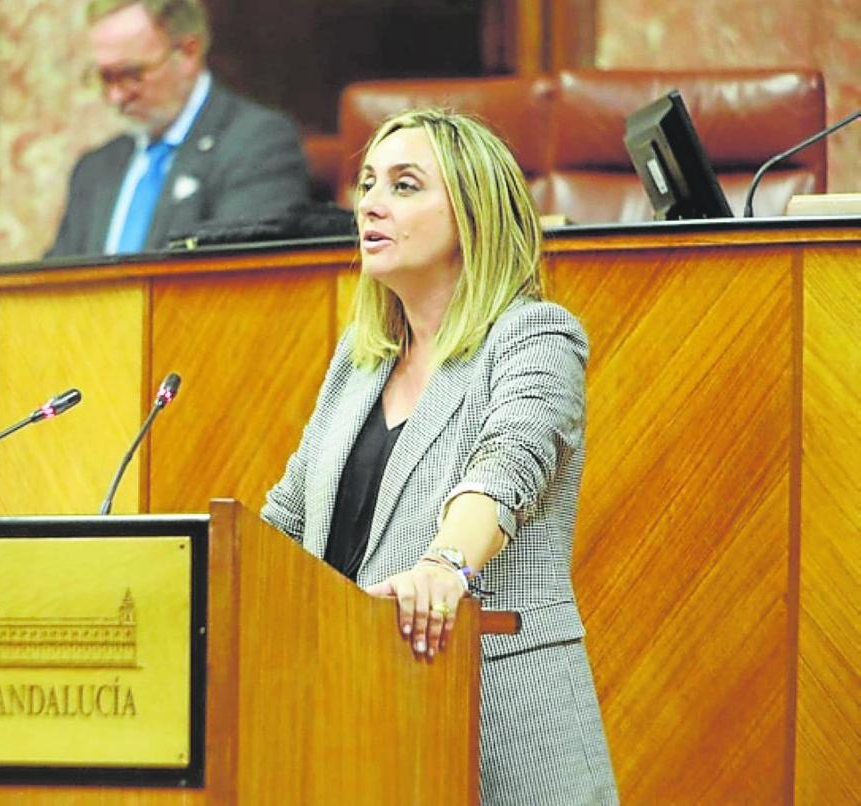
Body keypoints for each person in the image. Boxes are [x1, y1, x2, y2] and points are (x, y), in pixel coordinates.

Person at [262, 108, 619, 804]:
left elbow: (507, 467)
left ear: (473, 215)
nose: (369, 203)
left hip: (499, 724)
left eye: (404, 185)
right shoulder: (360, 363)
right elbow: (287, 519)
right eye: (368, 183)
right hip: (364, 721)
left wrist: (444, 564)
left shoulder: (535, 337)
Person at [46, 0, 311, 259]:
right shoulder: (95, 169)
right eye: (105, 77)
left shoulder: (257, 143)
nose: (116, 97)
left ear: (188, 53)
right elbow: (53, 289)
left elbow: (239, 280)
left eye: (131, 74)